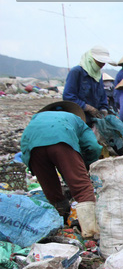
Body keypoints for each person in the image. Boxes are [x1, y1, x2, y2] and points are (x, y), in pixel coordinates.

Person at [20, 101, 102, 239]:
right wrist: (87, 166)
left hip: (34, 149)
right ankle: (90, 232)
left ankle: (60, 223)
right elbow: (93, 146)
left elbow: (24, 144)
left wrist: (34, 166)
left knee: (52, 191)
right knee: (82, 188)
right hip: (62, 142)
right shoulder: (75, 119)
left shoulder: (36, 119)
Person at [63, 46, 116, 125]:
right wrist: (87, 107)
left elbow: (102, 96)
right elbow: (68, 96)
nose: (103, 64)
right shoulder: (77, 72)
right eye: (100, 61)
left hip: (95, 119)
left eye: (104, 62)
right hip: (79, 119)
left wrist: (103, 109)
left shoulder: (98, 76)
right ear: (90, 59)